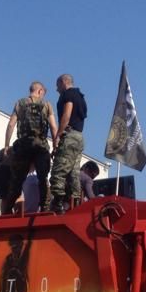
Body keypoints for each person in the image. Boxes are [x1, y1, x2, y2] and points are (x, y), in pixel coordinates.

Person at [5, 82, 57, 213]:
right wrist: (56, 145)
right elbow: (53, 126)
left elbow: (11, 124)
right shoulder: (47, 105)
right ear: (40, 91)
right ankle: (45, 208)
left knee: (17, 180)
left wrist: (6, 145)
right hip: (40, 146)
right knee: (42, 178)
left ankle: (7, 209)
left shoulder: (20, 103)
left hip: (23, 146)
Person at [49, 74, 87, 214]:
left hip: (69, 136)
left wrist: (58, 135)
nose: (56, 89)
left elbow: (67, 114)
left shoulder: (69, 94)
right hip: (79, 137)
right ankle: (75, 204)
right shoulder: (81, 97)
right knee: (73, 174)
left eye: (57, 85)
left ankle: (57, 205)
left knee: (58, 172)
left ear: (64, 82)